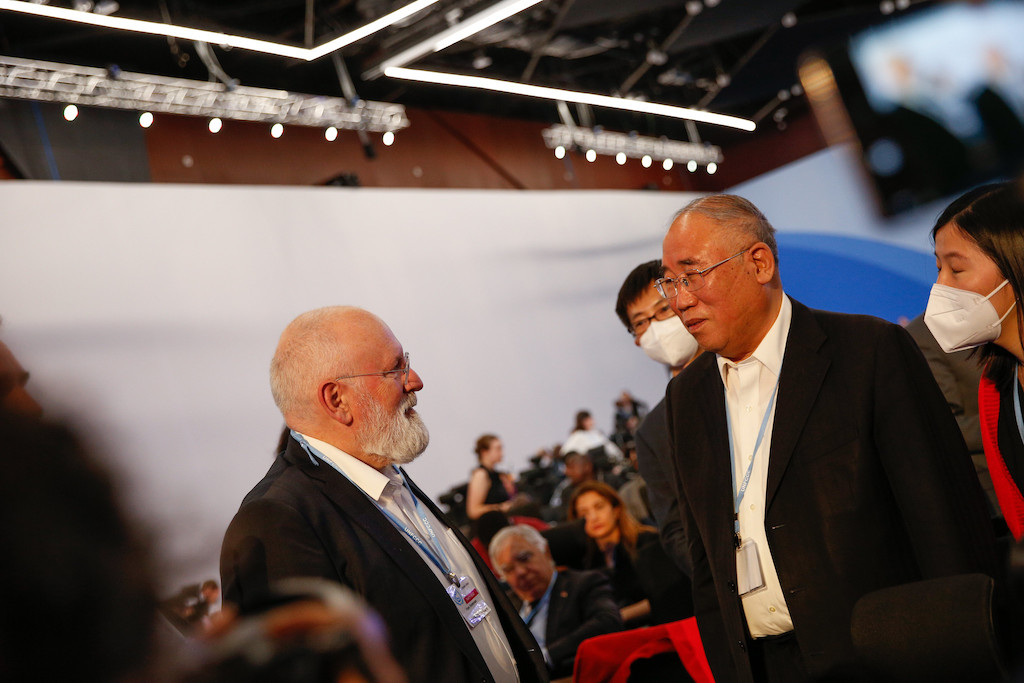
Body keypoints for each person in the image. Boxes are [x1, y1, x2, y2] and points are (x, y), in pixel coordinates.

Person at [658, 194, 995, 682]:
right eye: (669, 281)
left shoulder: (868, 352)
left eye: (692, 275)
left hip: (884, 654)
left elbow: (941, 517)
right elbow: (705, 560)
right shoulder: (685, 399)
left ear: (759, 263)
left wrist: (960, 651)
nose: (679, 299)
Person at [219, 306, 547, 683]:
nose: (415, 381)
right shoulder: (277, 520)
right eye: (395, 370)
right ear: (337, 400)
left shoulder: (384, 473)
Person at [925, 181, 1024, 540]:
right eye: (938, 269)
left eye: (956, 269)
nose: (941, 286)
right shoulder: (995, 387)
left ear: (1015, 263)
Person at [614, 259, 703, 575]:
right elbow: (674, 527)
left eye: (662, 311)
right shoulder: (652, 432)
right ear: (637, 339)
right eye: (640, 322)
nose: (655, 328)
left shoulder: (752, 371)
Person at [490, 525, 622, 679]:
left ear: (546, 552)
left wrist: (545, 657)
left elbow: (608, 621)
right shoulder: (505, 607)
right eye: (508, 569)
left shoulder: (583, 584)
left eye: (524, 558)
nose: (520, 572)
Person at [568, 481, 690, 628]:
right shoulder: (588, 562)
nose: (593, 517)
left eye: (599, 507)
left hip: (663, 627)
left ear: (616, 509)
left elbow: (668, 597)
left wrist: (616, 616)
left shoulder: (648, 542)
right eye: (584, 513)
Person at [466, 434, 517, 521]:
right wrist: (500, 507)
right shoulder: (481, 474)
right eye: (498, 449)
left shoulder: (498, 475)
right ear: (484, 452)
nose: (502, 453)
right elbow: (473, 511)